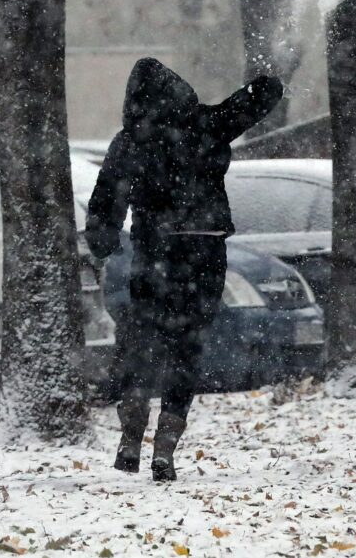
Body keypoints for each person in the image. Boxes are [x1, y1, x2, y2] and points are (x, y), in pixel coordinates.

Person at [85, 58, 283, 480]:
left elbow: (107, 195)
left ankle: (130, 433)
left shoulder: (130, 140)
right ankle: (166, 448)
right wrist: (271, 76)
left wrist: (102, 239)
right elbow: (253, 102)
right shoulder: (207, 124)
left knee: (141, 342)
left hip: (153, 255)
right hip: (204, 253)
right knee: (185, 349)